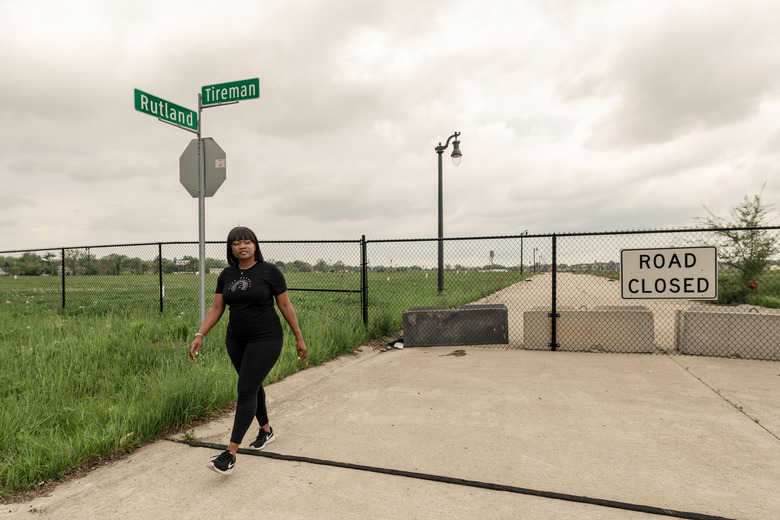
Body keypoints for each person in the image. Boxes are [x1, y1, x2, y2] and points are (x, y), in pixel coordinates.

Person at [188, 226, 307, 475]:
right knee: (251, 385)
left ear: (255, 245)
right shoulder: (227, 274)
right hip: (236, 339)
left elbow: (285, 305)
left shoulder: (270, 271)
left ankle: (230, 454)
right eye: (236, 243)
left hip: (266, 338)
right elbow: (217, 307)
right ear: (230, 248)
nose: (242, 246)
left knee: (245, 390)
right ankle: (266, 430)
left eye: (247, 242)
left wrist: (299, 337)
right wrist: (201, 334)